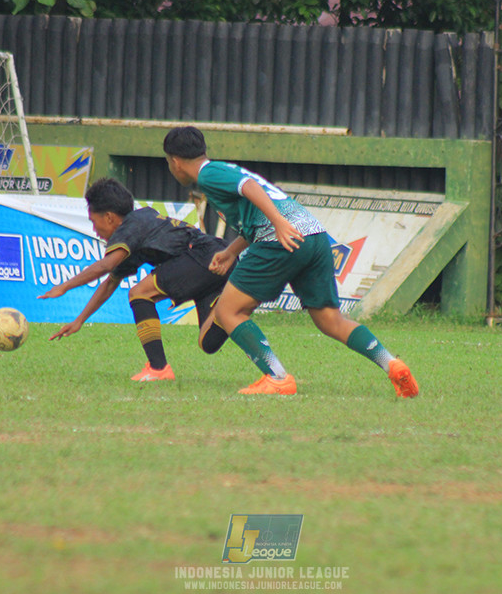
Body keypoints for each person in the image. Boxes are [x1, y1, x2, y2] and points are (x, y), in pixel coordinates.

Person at [162, 125, 419, 398]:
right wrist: (232, 251)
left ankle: (277, 377)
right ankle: (391, 362)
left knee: (227, 312)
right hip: (313, 235)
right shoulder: (221, 170)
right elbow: (251, 214)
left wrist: (278, 223)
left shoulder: (209, 174)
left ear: (175, 162)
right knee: (330, 320)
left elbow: (248, 188)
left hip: (280, 238)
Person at [39, 177, 231, 381]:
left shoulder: (132, 225)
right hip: (218, 260)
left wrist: (65, 286)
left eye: (94, 222)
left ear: (110, 218)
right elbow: (109, 283)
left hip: (205, 257)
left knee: (139, 293)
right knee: (208, 342)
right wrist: (79, 321)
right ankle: (234, 309)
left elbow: (105, 266)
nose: (95, 229)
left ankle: (159, 368)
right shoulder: (136, 234)